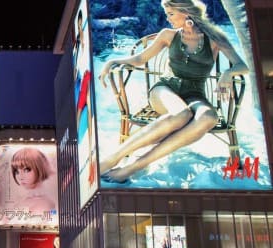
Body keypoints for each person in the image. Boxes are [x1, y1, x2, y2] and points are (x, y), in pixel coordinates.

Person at [98, 0, 249, 183]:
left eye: (170, 13)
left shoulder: (214, 38)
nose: (167, 18)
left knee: (209, 118)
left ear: (185, 13)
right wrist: (111, 62)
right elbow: (140, 59)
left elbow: (242, 65)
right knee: (181, 114)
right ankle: (113, 158)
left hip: (195, 93)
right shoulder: (168, 35)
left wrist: (228, 73)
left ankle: (132, 167)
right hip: (165, 88)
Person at [10, 147, 56, 214]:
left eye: (26, 170)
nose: (20, 177)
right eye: (17, 171)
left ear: (40, 167)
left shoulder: (44, 203)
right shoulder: (24, 199)